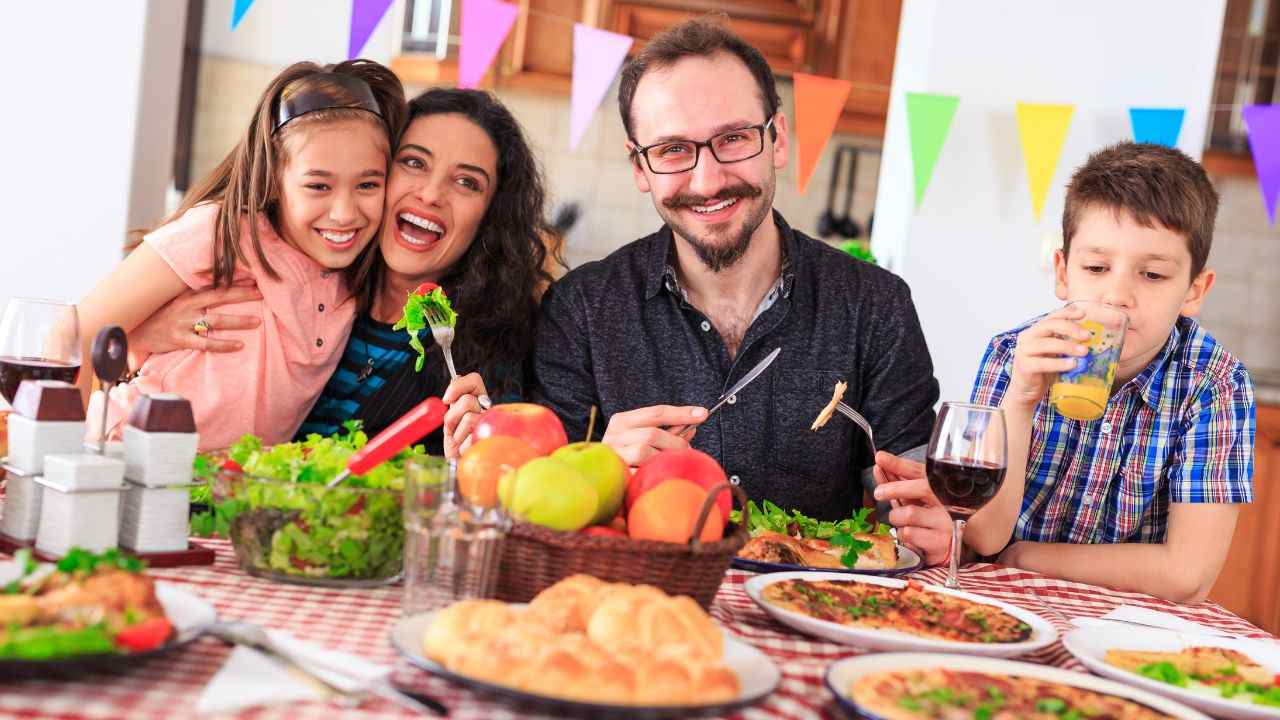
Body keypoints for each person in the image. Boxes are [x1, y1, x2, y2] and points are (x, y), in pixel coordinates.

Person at [529, 18, 943, 532]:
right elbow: (538, 518)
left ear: (779, 140)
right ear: (639, 167)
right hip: (640, 600)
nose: (708, 180)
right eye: (672, 150)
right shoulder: (580, 309)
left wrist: (931, 521)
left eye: (733, 138)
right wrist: (597, 474)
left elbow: (913, 503)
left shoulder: (876, 305)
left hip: (808, 602)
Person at [875, 143, 1255, 602]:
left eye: (1152, 275)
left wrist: (1023, 557)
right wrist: (1020, 399)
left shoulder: (1214, 385)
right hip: (1005, 603)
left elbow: (1186, 576)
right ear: (1062, 272)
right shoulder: (1012, 354)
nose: (1117, 296)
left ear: (1195, 291)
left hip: (1126, 622)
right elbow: (986, 535)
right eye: (1096, 267)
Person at [124, 88, 555, 457]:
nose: (430, 193)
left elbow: (493, 492)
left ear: (490, 216)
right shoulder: (301, 285)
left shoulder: (489, 349)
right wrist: (140, 335)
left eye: (467, 183)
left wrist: (480, 451)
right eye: (414, 162)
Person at [78, 60, 406, 452]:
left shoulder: (358, 273)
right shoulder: (224, 231)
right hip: (123, 454)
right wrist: (64, 461)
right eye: (318, 186)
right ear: (273, 181)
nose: (345, 212)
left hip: (220, 496)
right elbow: (77, 331)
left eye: (368, 184)